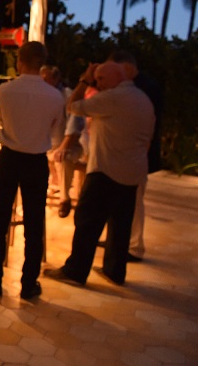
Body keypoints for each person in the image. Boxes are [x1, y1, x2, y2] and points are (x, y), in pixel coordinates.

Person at [44, 61, 154, 286]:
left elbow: (72, 106)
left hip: (106, 169)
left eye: (101, 78)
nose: (98, 83)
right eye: (96, 79)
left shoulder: (112, 98)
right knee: (120, 226)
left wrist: (84, 80)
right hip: (133, 171)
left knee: (87, 221)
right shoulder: (143, 99)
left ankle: (75, 271)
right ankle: (115, 271)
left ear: (117, 76)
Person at [0, 41, 64, 300]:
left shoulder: (5, 90)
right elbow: (57, 135)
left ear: (19, 61)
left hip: (9, 158)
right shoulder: (55, 96)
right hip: (36, 162)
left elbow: (2, 120)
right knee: (34, 223)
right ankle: (29, 283)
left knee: (0, 221)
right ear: (42, 63)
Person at [107, 50, 163, 262]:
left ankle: (134, 246)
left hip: (137, 154)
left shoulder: (144, 89)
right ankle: (120, 242)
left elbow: (147, 127)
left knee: (135, 201)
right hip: (131, 154)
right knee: (124, 201)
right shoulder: (141, 87)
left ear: (127, 68)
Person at [41, 65, 86, 218]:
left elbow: (75, 124)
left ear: (55, 79)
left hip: (69, 144)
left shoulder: (67, 95)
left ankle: (64, 198)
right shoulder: (41, 95)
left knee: (62, 157)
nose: (43, 83)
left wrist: (64, 146)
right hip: (46, 145)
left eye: (46, 79)